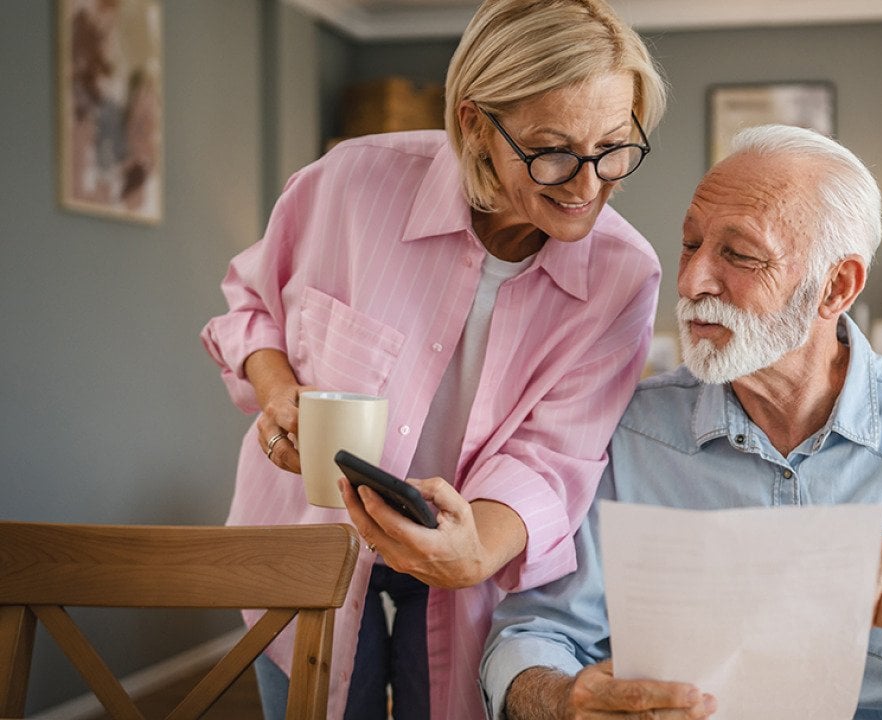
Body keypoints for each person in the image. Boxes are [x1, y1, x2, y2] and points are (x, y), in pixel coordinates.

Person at [480, 125, 882, 720]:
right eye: (690, 244)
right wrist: (566, 700)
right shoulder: (628, 429)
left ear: (836, 286)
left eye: (739, 255)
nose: (692, 282)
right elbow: (527, 639)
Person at [199, 1, 666, 717]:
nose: (587, 187)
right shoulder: (349, 186)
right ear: (477, 123)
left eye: (613, 147)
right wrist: (277, 390)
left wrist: (475, 550)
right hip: (304, 542)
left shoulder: (623, 277)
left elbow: (554, 459)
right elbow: (253, 307)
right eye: (553, 150)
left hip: (465, 565)